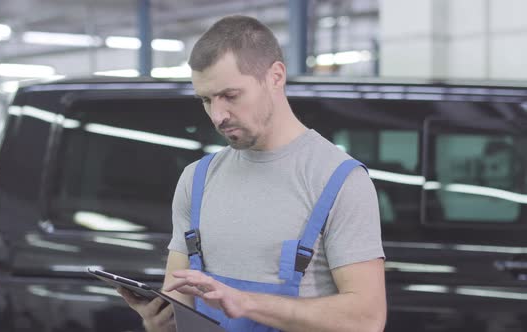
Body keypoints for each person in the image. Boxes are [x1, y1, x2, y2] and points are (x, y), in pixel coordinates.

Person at [117, 15, 386, 332]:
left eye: (230, 95)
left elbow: (367, 319)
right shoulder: (197, 180)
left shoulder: (339, 180)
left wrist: (248, 303)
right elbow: (182, 304)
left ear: (275, 76)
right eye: (206, 99)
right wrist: (160, 324)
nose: (217, 116)